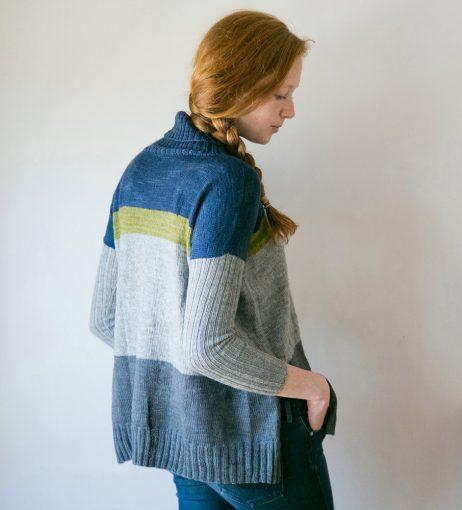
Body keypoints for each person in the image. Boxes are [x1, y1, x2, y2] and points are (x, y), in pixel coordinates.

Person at [89, 8, 338, 509]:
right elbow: (206, 346)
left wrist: (192, 396)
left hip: (186, 440)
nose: (290, 111)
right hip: (256, 437)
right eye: (281, 95)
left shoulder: (142, 170)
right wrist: (315, 388)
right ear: (241, 87)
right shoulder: (227, 181)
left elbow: (108, 319)